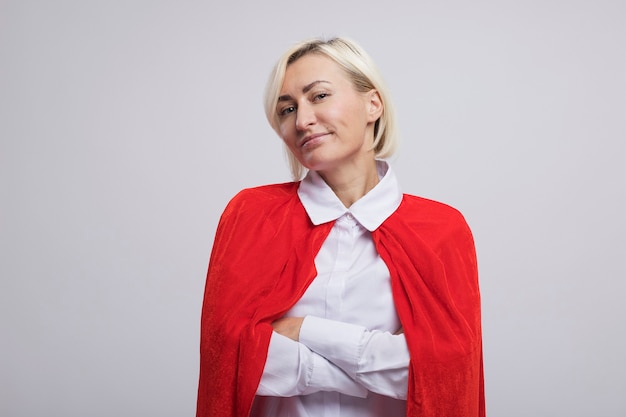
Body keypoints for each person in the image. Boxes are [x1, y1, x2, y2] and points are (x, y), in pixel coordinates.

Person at [196, 37, 485, 417]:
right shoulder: (250, 216)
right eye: (287, 109)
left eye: (318, 96)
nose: (301, 121)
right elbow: (230, 360)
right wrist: (372, 364)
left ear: (373, 104)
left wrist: (304, 331)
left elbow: (447, 371)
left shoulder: (441, 229)